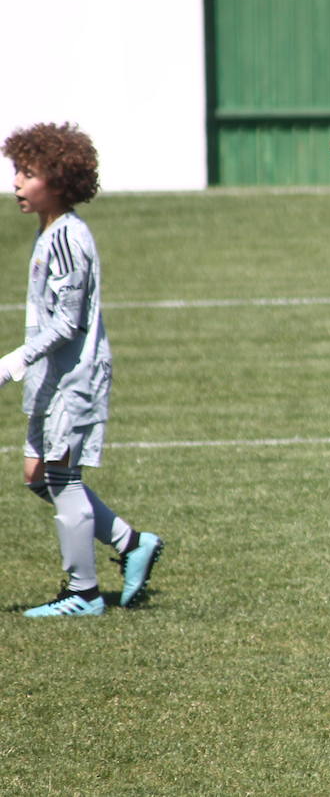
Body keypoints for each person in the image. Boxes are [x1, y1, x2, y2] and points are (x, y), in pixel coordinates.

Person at [2, 122, 164, 617]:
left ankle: (83, 593)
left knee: (62, 477)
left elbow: (70, 322)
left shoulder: (69, 237)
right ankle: (131, 542)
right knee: (37, 473)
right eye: (17, 172)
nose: (16, 183)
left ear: (59, 180)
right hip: (53, 377)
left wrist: (17, 359)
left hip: (75, 378)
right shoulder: (50, 231)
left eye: (28, 174)